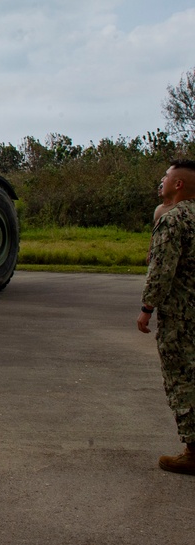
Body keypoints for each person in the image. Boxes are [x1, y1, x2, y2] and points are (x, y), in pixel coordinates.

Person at [137, 159, 195, 474]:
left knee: (183, 380)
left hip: (182, 319)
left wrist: (147, 308)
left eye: (167, 177)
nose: (163, 180)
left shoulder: (174, 220)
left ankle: (193, 451)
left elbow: (161, 270)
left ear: (179, 185)